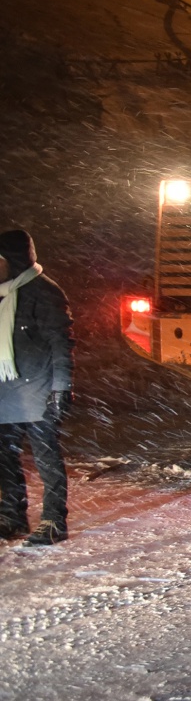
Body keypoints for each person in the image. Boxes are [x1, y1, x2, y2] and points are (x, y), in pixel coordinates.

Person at [0, 229, 76, 546]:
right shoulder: (3, 293)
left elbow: (62, 344)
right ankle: (12, 516)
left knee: (46, 459)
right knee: (5, 458)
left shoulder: (44, 292)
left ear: (15, 261)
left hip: (40, 392)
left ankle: (54, 521)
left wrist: (62, 388)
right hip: (7, 393)